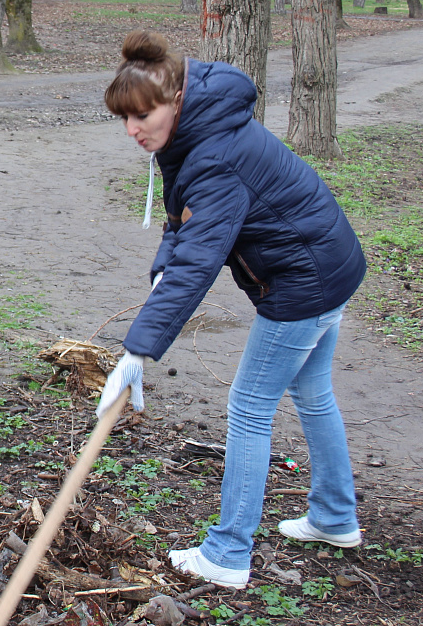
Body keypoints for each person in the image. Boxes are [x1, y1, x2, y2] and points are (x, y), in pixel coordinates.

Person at [97, 31, 368, 589]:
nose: (132, 130)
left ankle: (227, 553)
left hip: (301, 283)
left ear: (174, 99)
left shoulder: (214, 156)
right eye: (124, 119)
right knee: (312, 394)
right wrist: (161, 274)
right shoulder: (201, 126)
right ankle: (335, 517)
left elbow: (199, 259)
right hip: (329, 263)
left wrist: (137, 350)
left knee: (248, 408)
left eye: (142, 116)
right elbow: (186, 225)